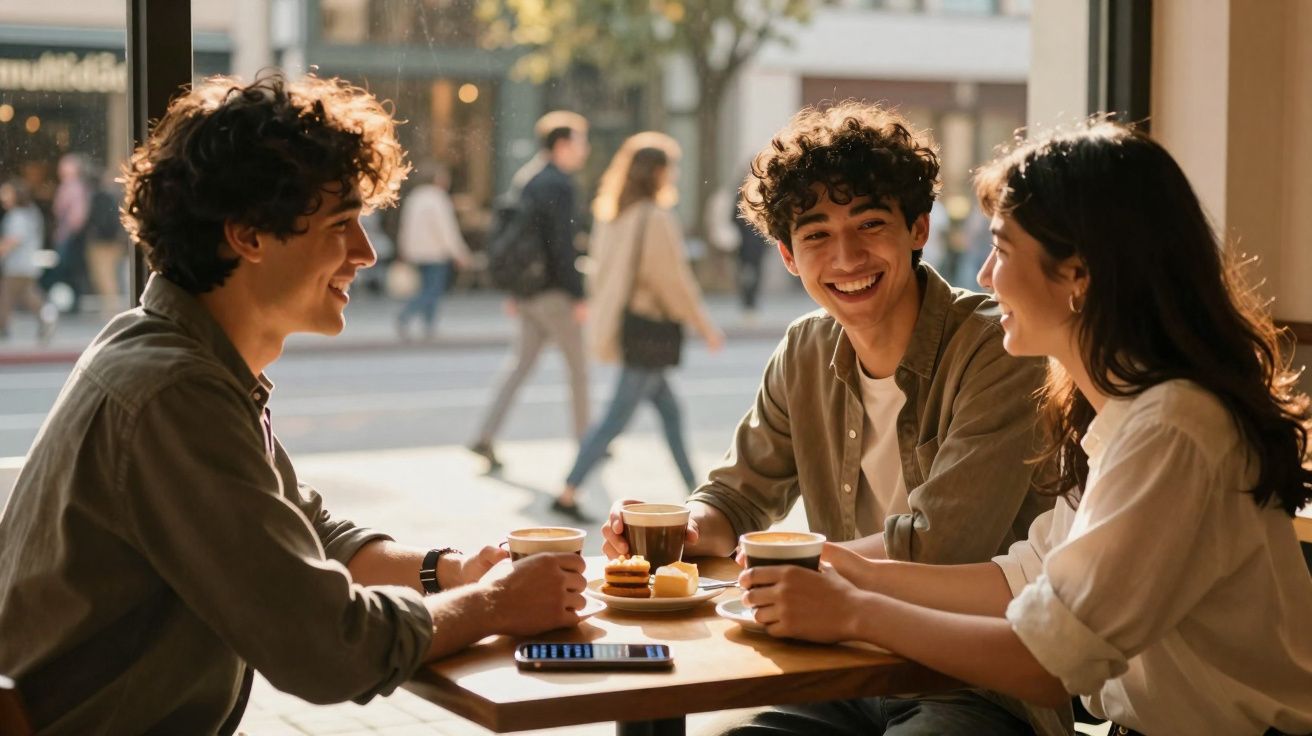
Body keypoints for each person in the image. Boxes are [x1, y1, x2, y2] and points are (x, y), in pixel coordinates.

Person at [0, 73, 588, 736]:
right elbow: (329, 648)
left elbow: (305, 533)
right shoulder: (176, 393)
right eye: (342, 224)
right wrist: (491, 605)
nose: (365, 253)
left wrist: (447, 571)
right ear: (249, 235)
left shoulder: (168, 354)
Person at [729, 122, 1312, 736]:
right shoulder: (1118, 414)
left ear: (1079, 275)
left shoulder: (1175, 430)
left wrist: (854, 612)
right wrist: (848, 568)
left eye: (1002, 250)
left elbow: (1046, 665)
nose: (983, 276)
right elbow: (1026, 577)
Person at [603, 102, 1064, 734]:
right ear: (789, 256)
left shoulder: (998, 347)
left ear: (919, 229)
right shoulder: (805, 349)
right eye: (815, 234)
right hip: (835, 675)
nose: (845, 257)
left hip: (973, 682)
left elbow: (940, 545)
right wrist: (682, 529)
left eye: (870, 225)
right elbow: (737, 498)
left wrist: (801, 569)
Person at [552, 132, 724, 520]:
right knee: (616, 417)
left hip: (626, 325)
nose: (675, 175)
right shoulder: (655, 217)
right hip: (649, 332)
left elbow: (599, 273)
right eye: (672, 167)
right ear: (658, 172)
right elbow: (672, 281)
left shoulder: (614, 214)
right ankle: (567, 491)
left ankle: (698, 493)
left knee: (670, 413)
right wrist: (704, 325)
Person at [468, 111, 591, 471]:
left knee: (520, 366)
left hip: (527, 292)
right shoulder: (560, 184)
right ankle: (587, 443)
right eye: (580, 141)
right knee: (578, 369)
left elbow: (516, 240)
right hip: (553, 293)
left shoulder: (527, 177)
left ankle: (485, 436)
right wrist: (578, 294)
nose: (584, 150)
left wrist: (514, 289)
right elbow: (562, 246)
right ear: (563, 144)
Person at [395, 160, 470, 340]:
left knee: (427, 288)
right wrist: (459, 253)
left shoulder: (415, 197)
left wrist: (404, 248)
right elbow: (446, 230)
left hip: (417, 252)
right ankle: (406, 315)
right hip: (435, 252)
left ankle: (429, 326)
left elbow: (405, 226)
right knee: (432, 290)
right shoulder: (438, 198)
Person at [0, 178, 56, 342]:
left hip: (18, 265)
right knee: (27, 296)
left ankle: (3, 326)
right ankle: (47, 316)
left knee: (6, 296)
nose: (3, 197)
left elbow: (13, 240)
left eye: (6, 193)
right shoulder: (31, 212)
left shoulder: (18, 215)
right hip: (27, 264)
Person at [48, 152, 92, 313]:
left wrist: (70, 233)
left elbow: (77, 216)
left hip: (69, 237)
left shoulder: (73, 186)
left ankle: (70, 303)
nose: (60, 169)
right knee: (68, 270)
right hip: (67, 235)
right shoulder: (72, 186)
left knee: (67, 270)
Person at [85, 164, 129, 317]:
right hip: (112, 241)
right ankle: (111, 307)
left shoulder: (100, 197)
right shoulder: (116, 196)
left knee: (105, 275)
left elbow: (96, 219)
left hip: (102, 242)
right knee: (110, 275)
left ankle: (110, 308)